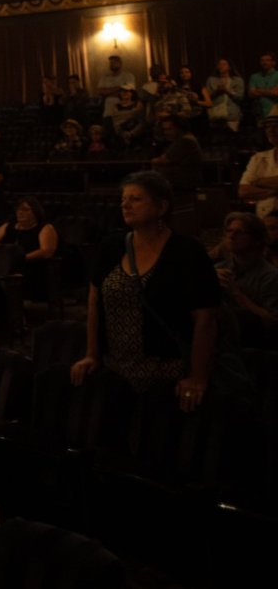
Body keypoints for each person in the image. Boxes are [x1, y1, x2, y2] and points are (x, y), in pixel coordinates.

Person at [71, 172, 218, 414]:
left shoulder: (187, 251)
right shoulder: (111, 246)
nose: (125, 204)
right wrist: (91, 354)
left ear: (161, 207)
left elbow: (205, 319)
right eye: (123, 199)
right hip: (115, 370)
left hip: (167, 373)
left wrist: (197, 376)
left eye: (135, 199)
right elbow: (94, 302)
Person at [216, 212, 278, 334]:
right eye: (229, 231)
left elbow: (273, 322)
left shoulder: (270, 276)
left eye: (240, 232)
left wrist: (236, 293)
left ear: (257, 240)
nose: (231, 236)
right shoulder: (219, 268)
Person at [238, 115, 278, 220]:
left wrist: (259, 182)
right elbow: (243, 191)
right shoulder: (258, 158)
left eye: (276, 125)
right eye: (268, 126)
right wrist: (275, 191)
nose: (271, 130)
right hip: (264, 221)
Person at [201, 58, 245, 132]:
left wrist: (227, 91)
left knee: (231, 136)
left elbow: (240, 97)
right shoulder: (211, 80)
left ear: (229, 67)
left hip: (231, 115)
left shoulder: (237, 80)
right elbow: (207, 98)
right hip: (216, 115)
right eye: (219, 64)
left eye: (224, 64)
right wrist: (217, 91)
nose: (221, 66)